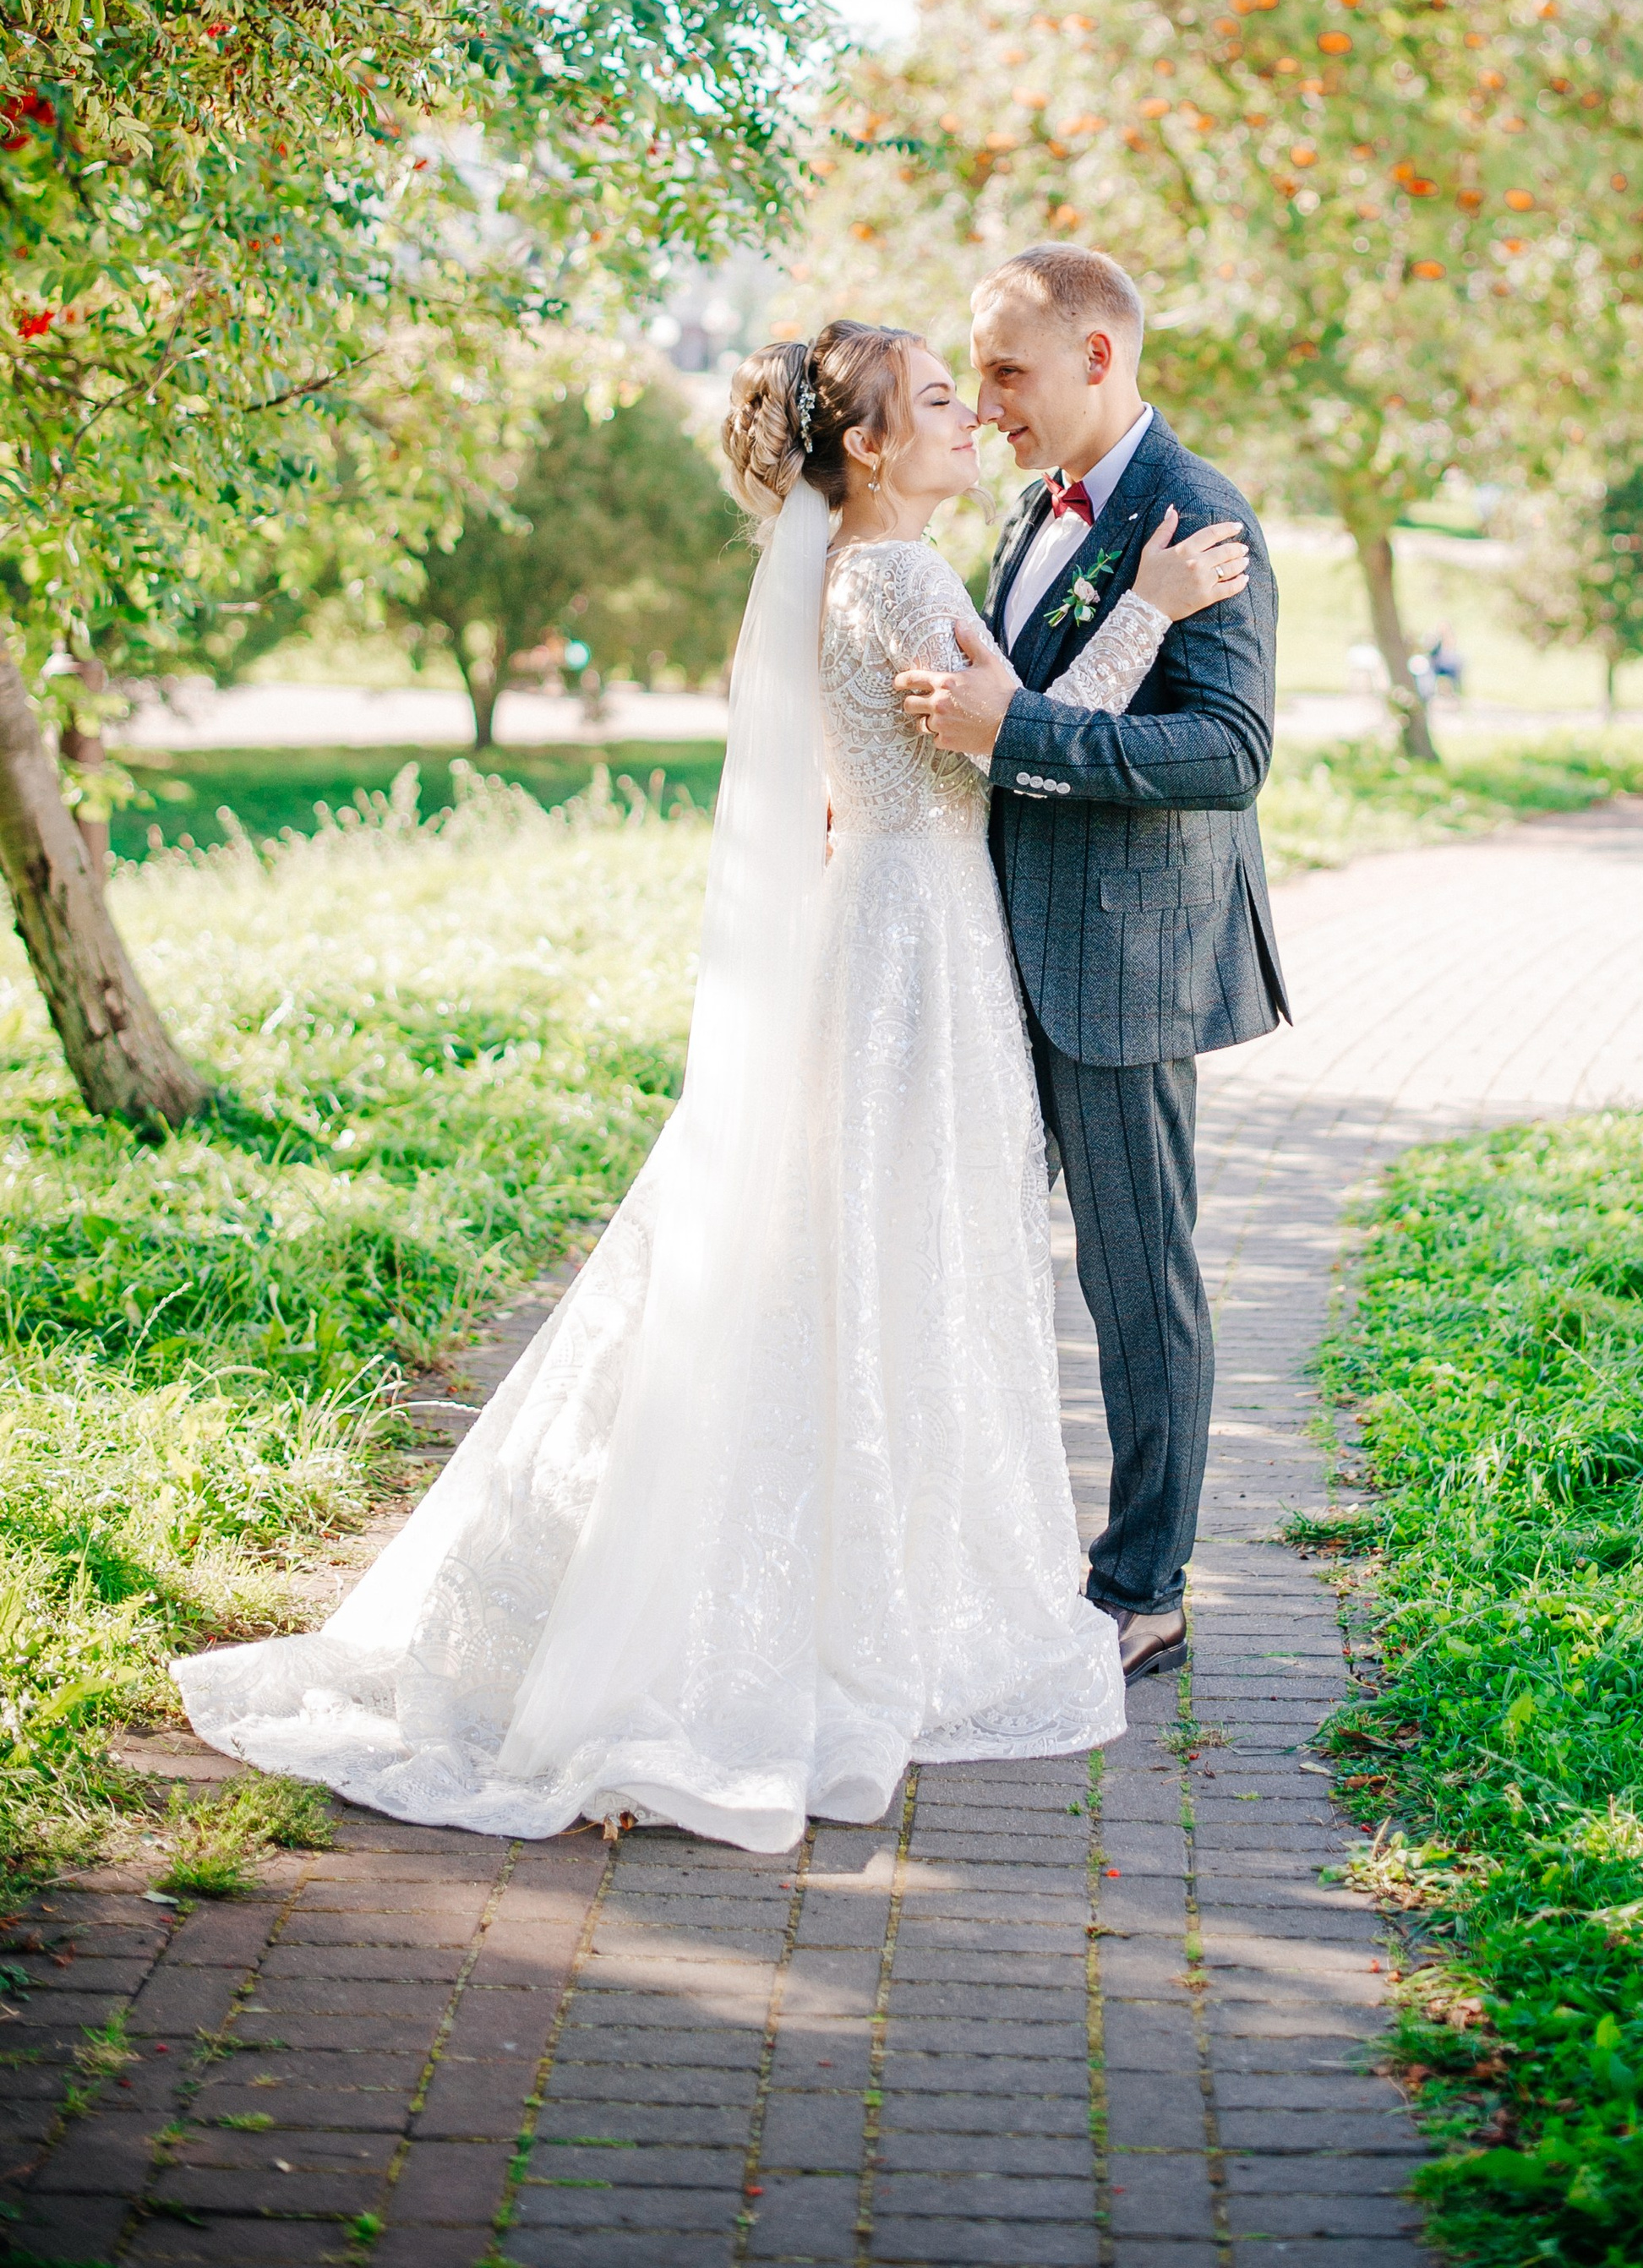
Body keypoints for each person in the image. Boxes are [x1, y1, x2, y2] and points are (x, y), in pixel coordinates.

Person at [174, 320, 1248, 1851]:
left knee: (835, 1261)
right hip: (914, 944)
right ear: (868, 448)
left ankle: (799, 1578)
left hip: (879, 922)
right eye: (941, 399)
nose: (967, 418)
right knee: (893, 1267)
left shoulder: (845, 574)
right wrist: (1144, 607)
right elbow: (1006, 742)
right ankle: (848, 1610)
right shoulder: (899, 576)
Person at [897, 245, 1289, 1687]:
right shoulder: (1025, 514)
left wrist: (1017, 742)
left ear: (1098, 357)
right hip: (1000, 946)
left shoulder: (1202, 515)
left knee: (1140, 1284)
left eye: (1007, 370)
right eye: (980, 373)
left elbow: (1229, 755)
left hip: (1124, 966)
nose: (989, 402)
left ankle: (1144, 1589)